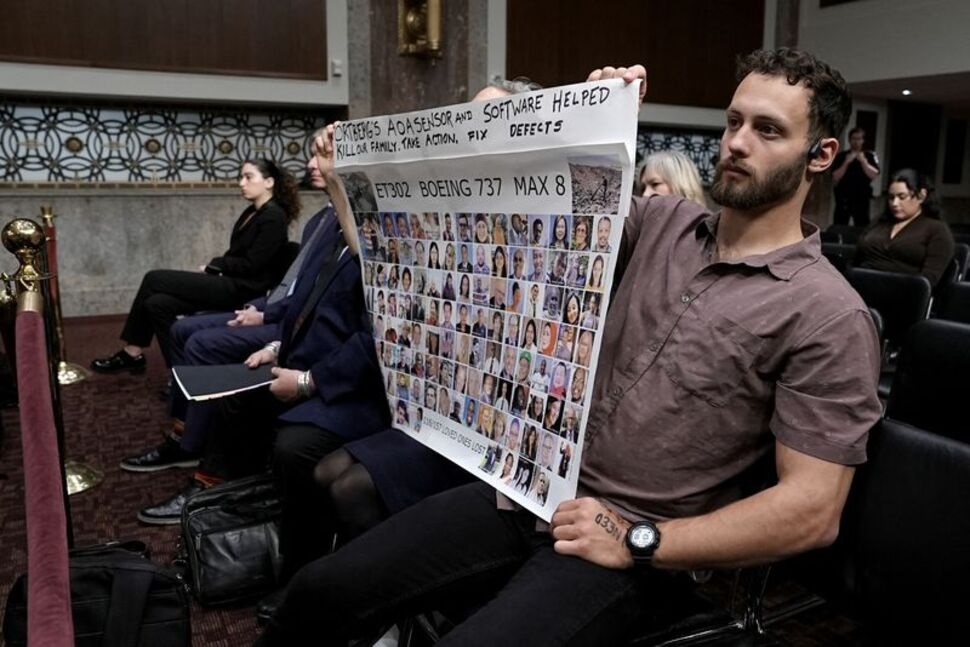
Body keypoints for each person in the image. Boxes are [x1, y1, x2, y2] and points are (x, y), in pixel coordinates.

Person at [260, 50, 883, 647]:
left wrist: (642, 540)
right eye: (733, 122)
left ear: (822, 154)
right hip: (532, 490)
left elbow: (811, 510)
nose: (737, 143)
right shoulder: (662, 226)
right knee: (318, 591)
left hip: (632, 547)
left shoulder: (828, 314)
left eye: (768, 130)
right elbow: (521, 212)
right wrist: (589, 118)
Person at [91, 159, 300, 373]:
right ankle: (181, 372)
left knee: (154, 278)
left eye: (248, 177)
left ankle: (131, 353)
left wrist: (215, 266)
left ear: (269, 182)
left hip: (244, 289)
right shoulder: (251, 212)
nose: (241, 183)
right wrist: (218, 269)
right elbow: (238, 255)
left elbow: (253, 264)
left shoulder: (274, 217)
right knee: (156, 303)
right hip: (229, 282)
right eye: (241, 177)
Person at [854, 168, 955, 288]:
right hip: (860, 288)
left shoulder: (937, 230)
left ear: (921, 195)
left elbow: (928, 281)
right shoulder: (879, 222)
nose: (895, 203)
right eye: (891, 197)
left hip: (904, 295)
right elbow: (855, 261)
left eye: (902, 197)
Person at [832, 126, 880, 227]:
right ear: (849, 140)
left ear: (863, 140)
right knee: (840, 224)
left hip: (861, 197)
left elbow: (874, 175)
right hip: (843, 197)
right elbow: (835, 176)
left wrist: (864, 162)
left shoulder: (870, 155)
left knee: (862, 224)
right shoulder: (841, 156)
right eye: (853, 138)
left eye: (859, 139)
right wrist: (846, 162)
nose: (856, 141)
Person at [635, 150, 707, 207]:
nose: (645, 194)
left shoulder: (703, 224)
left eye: (655, 184)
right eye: (643, 188)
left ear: (681, 185)